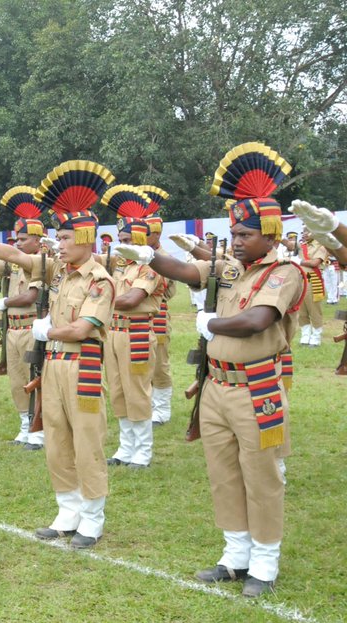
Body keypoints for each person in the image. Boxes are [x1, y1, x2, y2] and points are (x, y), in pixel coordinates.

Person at [114, 141, 303, 597]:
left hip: (257, 388)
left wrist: (208, 322)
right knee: (222, 472)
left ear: (271, 234)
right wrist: (146, 256)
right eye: (235, 234)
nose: (237, 241)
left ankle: (265, 561)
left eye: (246, 235)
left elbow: (257, 320)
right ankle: (235, 553)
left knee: (262, 475)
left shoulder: (285, 272)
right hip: (216, 386)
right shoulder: (234, 267)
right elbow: (185, 270)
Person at [0, 160, 116, 549]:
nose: (60, 243)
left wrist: (49, 330)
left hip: (82, 365)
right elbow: (15, 256)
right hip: (54, 365)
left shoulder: (99, 279)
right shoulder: (59, 270)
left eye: (67, 237)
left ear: (88, 237)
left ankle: (92, 517)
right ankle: (67, 508)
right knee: (56, 438)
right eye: (58, 237)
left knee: (86, 441)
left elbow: (83, 329)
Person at [99, 186, 165, 469]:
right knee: (117, 390)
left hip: (136, 333)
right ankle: (126, 447)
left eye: (127, 240)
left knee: (137, 391)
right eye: (120, 239)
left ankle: (143, 450)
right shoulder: (121, 268)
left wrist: (99, 300)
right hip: (114, 332)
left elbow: (131, 299)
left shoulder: (149, 268)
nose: (121, 245)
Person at [0, 186, 48, 450]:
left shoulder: (41, 262)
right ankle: (24, 424)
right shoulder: (17, 263)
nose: (18, 243)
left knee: (34, 377)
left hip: (30, 327)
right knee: (17, 380)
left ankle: (39, 428)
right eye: (17, 239)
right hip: (13, 330)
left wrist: (5, 302)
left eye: (24, 239)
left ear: (38, 240)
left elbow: (30, 296)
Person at [139, 186, 176, 425]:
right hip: (138, 317)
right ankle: (148, 403)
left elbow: (170, 291)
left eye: (146, 233)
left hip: (158, 316)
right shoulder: (139, 254)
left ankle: (162, 408)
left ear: (156, 235)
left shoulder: (165, 259)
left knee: (160, 364)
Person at [280, 229, 329, 346]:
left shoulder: (321, 246)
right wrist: (276, 234)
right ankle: (305, 335)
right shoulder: (302, 245)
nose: (304, 234)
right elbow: (288, 244)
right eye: (303, 232)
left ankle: (316, 335)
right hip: (299, 279)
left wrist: (299, 261)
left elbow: (314, 263)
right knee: (301, 309)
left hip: (312, 280)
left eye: (308, 231)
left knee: (314, 310)